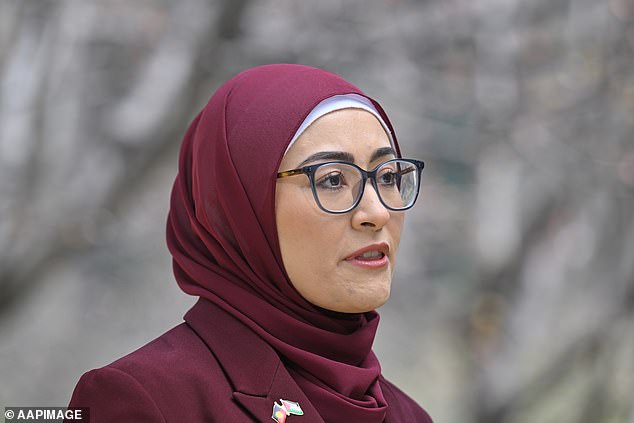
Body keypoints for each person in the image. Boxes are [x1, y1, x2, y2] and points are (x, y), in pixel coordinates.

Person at [65, 64, 432, 422]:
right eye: (333, 180)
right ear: (240, 208)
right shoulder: (144, 400)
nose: (377, 212)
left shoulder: (410, 416)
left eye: (387, 177)